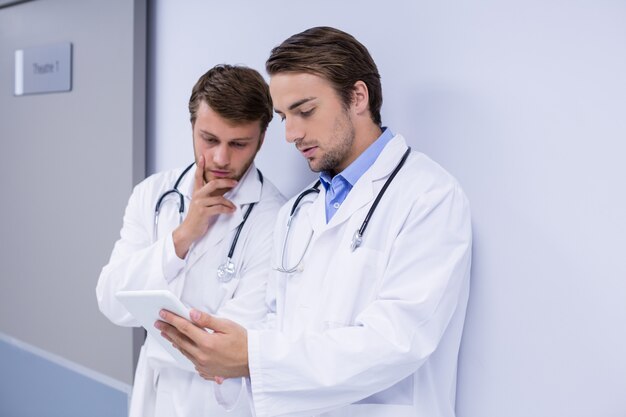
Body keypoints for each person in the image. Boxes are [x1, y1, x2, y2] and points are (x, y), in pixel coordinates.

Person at [157, 27, 472, 417]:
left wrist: (253, 357)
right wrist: (227, 359)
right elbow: (278, 324)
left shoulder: (428, 197)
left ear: (358, 97)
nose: (291, 134)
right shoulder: (296, 212)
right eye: (284, 117)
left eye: (305, 112)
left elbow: (398, 341)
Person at [96, 64, 285, 417]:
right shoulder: (153, 195)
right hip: (152, 397)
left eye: (239, 144)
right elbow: (110, 299)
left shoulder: (276, 219)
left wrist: (155, 331)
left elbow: (224, 349)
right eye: (209, 139)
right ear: (193, 127)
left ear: (261, 139)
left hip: (221, 404)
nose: (221, 158)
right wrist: (182, 236)